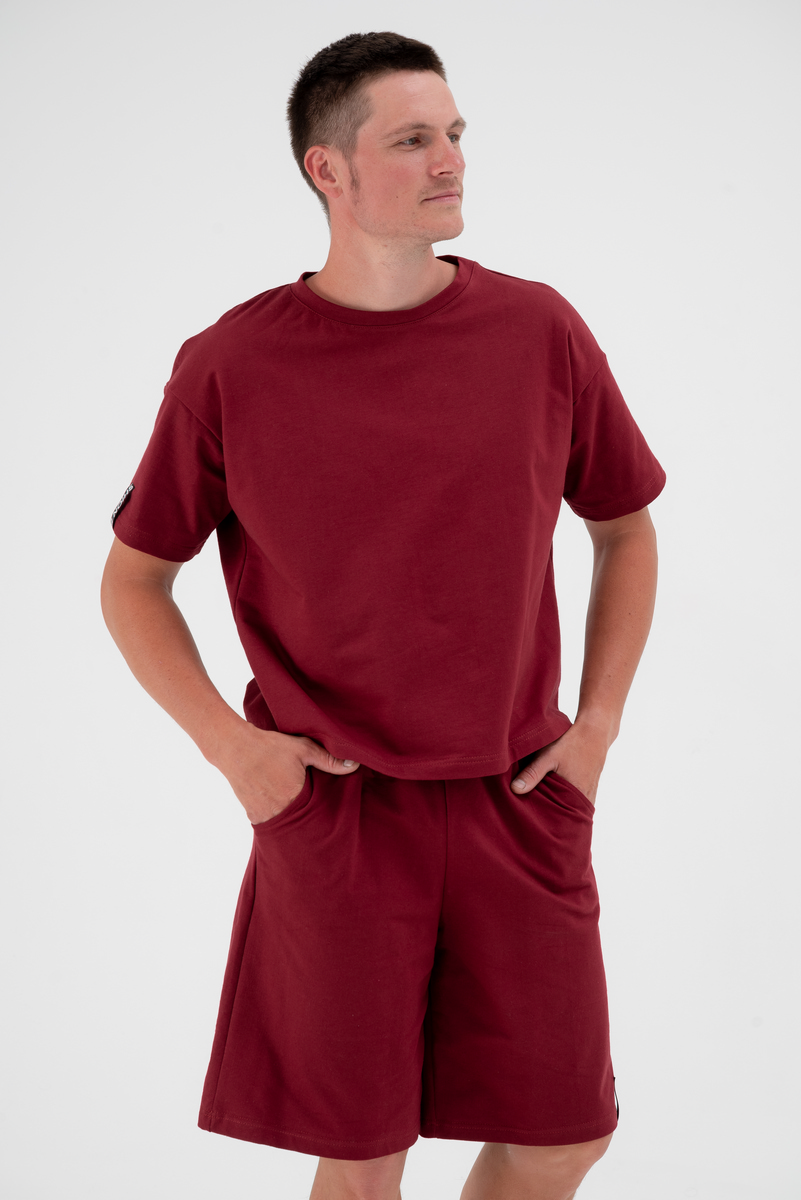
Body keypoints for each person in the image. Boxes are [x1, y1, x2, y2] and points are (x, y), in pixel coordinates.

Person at [101, 30, 665, 1200]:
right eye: (413, 139)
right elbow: (134, 578)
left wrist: (599, 726)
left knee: (564, 1135)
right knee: (363, 1160)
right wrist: (236, 752)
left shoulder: (540, 331)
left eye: (455, 133)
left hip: (520, 796)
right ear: (329, 169)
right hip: (338, 809)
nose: (450, 159)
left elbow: (624, 526)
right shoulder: (232, 364)